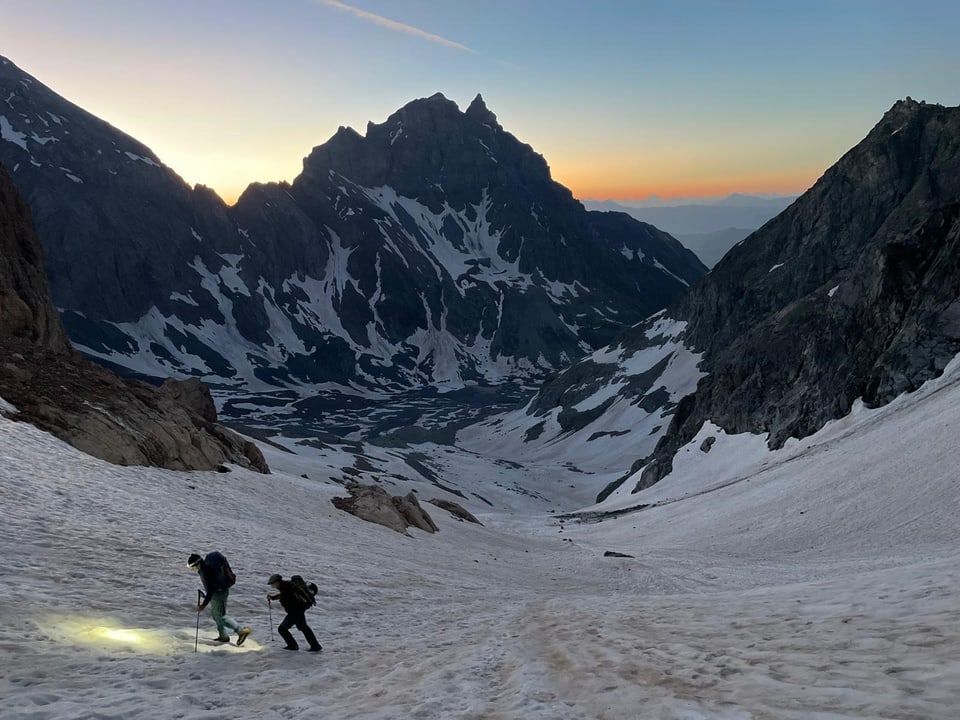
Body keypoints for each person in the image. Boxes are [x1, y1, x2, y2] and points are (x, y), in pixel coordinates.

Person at [188, 551, 251, 646]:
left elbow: (210, 590)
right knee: (216, 615)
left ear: (198, 564)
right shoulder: (205, 569)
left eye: (193, 567)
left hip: (219, 593)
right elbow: (211, 588)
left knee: (221, 616)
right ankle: (223, 636)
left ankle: (241, 631)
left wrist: (203, 605)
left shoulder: (205, 572)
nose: (193, 569)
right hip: (218, 592)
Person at [267, 573, 321, 652]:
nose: (273, 587)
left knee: (282, 629)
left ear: (277, 582)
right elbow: (283, 595)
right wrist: (273, 597)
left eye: (272, 585)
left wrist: (273, 598)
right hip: (299, 610)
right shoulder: (287, 586)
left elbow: (285, 595)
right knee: (304, 628)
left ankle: (293, 646)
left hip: (295, 612)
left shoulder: (286, 587)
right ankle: (315, 646)